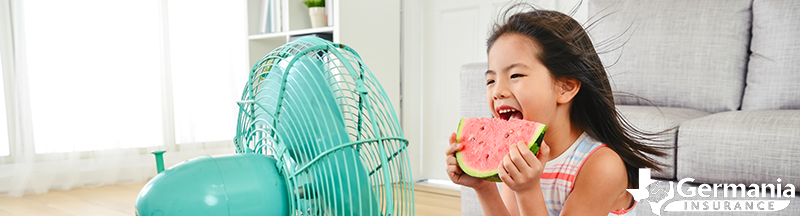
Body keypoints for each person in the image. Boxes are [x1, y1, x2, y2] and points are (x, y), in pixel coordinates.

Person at [444, 6, 668, 216]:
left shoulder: (601, 166)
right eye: (491, 80)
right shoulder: (518, 155)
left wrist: (527, 190)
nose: (497, 92)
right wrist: (483, 186)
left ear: (565, 87)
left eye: (515, 76)